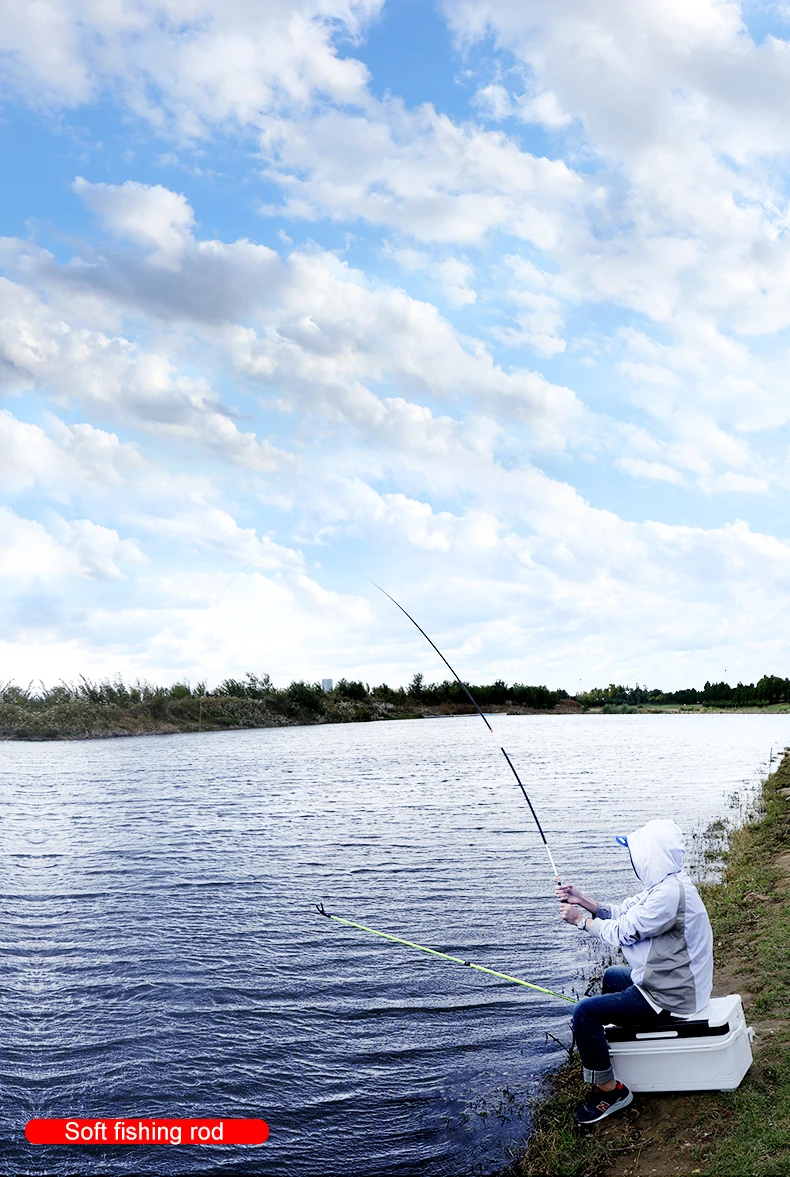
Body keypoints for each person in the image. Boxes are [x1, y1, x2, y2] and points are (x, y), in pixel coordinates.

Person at [558, 818, 714, 1125]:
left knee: (584, 1013)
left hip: (671, 995)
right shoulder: (670, 883)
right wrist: (583, 900)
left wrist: (580, 920)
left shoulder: (668, 895)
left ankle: (609, 1090)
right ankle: (620, 1045)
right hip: (676, 983)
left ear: (649, 857)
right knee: (612, 976)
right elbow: (623, 912)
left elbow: (623, 932)